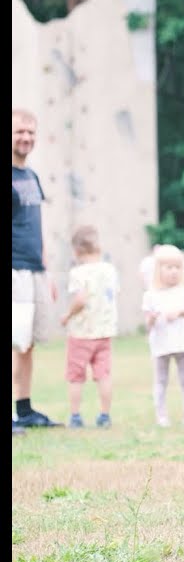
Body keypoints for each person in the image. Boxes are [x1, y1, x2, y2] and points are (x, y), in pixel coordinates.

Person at [12, 107, 60, 432]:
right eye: (19, 132)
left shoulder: (31, 176)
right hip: (13, 270)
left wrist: (47, 270)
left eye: (31, 132)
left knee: (27, 342)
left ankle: (25, 410)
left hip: (34, 270)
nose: (26, 137)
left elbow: (37, 227)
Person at [60, 225, 120, 429]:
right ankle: (105, 415)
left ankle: (75, 416)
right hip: (105, 332)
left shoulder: (78, 273)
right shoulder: (110, 270)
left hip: (81, 333)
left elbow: (81, 299)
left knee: (76, 376)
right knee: (103, 374)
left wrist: (67, 315)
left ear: (76, 250)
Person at [143, 245, 184, 427]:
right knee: (161, 381)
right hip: (161, 344)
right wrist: (151, 318)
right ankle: (161, 415)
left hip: (182, 343)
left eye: (177, 267)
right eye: (169, 267)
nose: (174, 271)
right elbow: (148, 324)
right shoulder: (151, 294)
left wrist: (182, 311)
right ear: (158, 270)